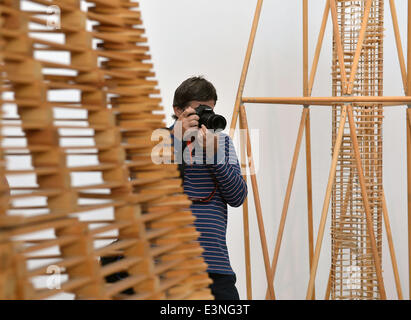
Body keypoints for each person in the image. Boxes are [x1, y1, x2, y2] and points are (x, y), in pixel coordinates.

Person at [169, 76, 247, 300]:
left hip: (215, 265)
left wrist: (214, 156)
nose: (205, 116)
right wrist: (176, 141)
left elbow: (237, 196)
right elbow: (151, 193)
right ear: (177, 110)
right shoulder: (160, 140)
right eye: (198, 110)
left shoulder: (221, 143)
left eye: (209, 109)